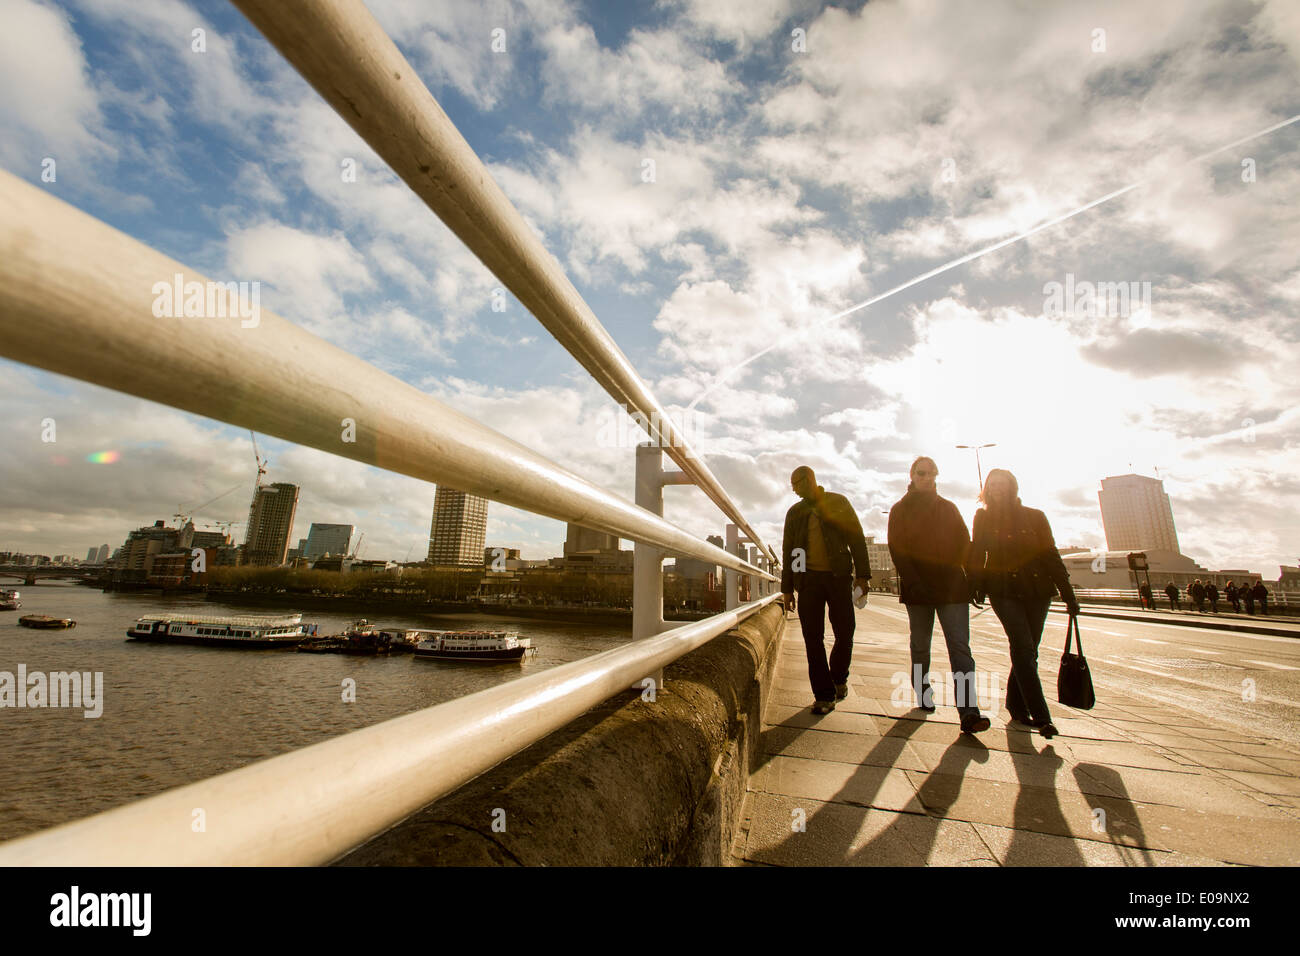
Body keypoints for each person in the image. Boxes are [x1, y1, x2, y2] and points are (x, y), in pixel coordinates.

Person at [967, 469, 1079, 739]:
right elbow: (977, 551)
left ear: (1012, 487)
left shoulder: (1035, 516)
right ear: (986, 490)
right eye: (992, 485)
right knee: (1023, 647)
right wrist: (975, 585)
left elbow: (1050, 554)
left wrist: (1068, 593)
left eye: (1002, 485)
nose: (997, 489)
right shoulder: (983, 517)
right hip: (1003, 590)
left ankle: (1015, 706)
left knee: (1029, 652)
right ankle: (1042, 717)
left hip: (1038, 590)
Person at [888, 456, 990, 734]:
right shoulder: (899, 510)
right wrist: (914, 581)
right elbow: (898, 550)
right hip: (918, 590)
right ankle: (923, 692)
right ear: (912, 475)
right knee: (920, 646)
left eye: (931, 473)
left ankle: (969, 712)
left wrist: (972, 578)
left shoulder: (948, 508)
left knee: (960, 649)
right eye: (921, 473)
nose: (927, 477)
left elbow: (964, 544)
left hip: (952, 588)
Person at [780, 465, 872, 715]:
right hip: (808, 582)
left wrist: (863, 576)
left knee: (845, 632)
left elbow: (856, 538)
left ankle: (839, 677)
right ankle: (823, 694)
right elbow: (790, 551)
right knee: (812, 638)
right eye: (792, 485)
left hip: (839, 578)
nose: (795, 490)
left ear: (809, 479)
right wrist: (788, 588)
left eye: (797, 483)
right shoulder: (795, 513)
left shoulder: (838, 502)